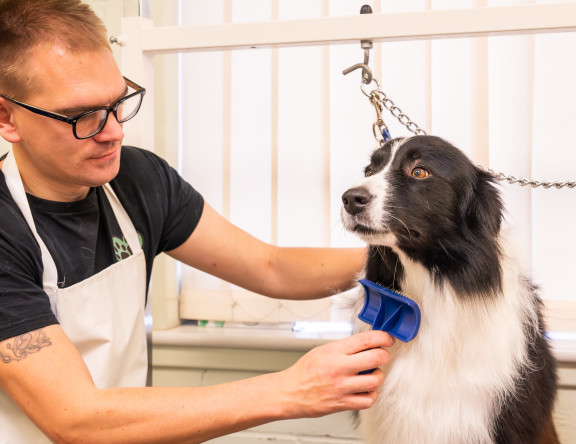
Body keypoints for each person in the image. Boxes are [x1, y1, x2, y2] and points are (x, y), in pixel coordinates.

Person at [0, 0, 394, 442]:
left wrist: (393, 257)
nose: (113, 131)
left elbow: (270, 266)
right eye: (81, 117)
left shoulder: (136, 180)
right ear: (7, 117)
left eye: (117, 103)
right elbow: (77, 418)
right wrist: (291, 389)